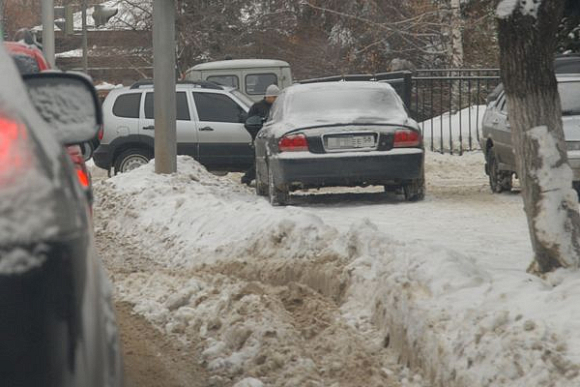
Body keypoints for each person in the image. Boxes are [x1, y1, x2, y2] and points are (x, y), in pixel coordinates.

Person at [241, 84, 280, 185]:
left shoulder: (279, 107)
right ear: (268, 96)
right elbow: (249, 123)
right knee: (260, 160)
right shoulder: (257, 107)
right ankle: (247, 179)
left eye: (277, 97)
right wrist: (256, 135)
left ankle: (271, 180)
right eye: (274, 97)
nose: (276, 99)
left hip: (274, 137)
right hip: (260, 138)